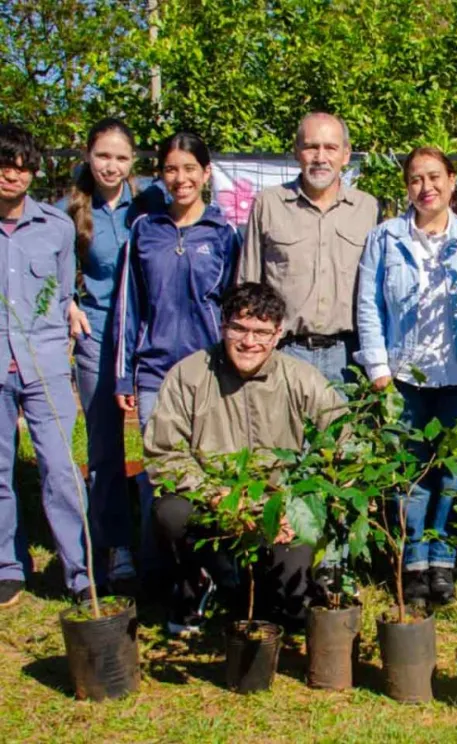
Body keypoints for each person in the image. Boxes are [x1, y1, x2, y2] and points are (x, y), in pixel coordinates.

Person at [145, 283, 346, 634]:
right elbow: (164, 453)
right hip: (213, 501)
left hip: (279, 507)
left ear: (278, 334)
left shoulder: (303, 379)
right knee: (171, 511)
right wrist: (215, 494)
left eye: (261, 332)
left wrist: (299, 505)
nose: (249, 342)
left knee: (290, 616)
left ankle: (260, 587)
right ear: (223, 326)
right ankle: (198, 582)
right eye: (239, 328)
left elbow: (345, 442)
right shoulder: (189, 375)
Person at [355, 146, 457, 606]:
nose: (426, 187)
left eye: (435, 177)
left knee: (452, 470)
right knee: (408, 473)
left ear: (452, 181)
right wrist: (377, 368)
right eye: (416, 179)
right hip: (404, 376)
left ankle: (442, 559)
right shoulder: (386, 239)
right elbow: (369, 306)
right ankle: (412, 562)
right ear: (407, 186)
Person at [113, 131, 241, 581]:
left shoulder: (225, 234)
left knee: (208, 473)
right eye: (171, 168)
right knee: (158, 476)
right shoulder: (144, 231)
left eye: (190, 168)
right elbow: (129, 307)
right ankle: (160, 571)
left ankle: (206, 575)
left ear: (206, 173)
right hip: (154, 372)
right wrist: (123, 376)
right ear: (160, 174)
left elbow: (234, 308)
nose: (180, 178)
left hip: (208, 373)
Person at [0, 123, 91, 607]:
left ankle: (79, 570)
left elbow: (61, 294)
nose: (12, 174)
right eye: (4, 164)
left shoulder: (55, 228)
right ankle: (8, 566)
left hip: (46, 366)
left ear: (34, 171)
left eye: (21, 166)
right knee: (0, 472)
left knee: (60, 470)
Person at [58, 118, 141, 594]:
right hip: (97, 337)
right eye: (103, 155)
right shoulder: (68, 208)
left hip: (143, 336)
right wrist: (67, 300)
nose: (111, 166)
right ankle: (115, 543)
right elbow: (48, 261)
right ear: (88, 155)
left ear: (133, 163)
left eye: (121, 158)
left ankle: (165, 543)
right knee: (105, 446)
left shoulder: (147, 203)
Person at [238, 112, 379, 385]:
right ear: (297, 151)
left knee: (343, 430)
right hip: (283, 353)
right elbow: (249, 285)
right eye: (311, 146)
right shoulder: (268, 205)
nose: (320, 157)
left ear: (346, 155)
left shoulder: (368, 209)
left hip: (348, 358)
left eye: (330, 147)